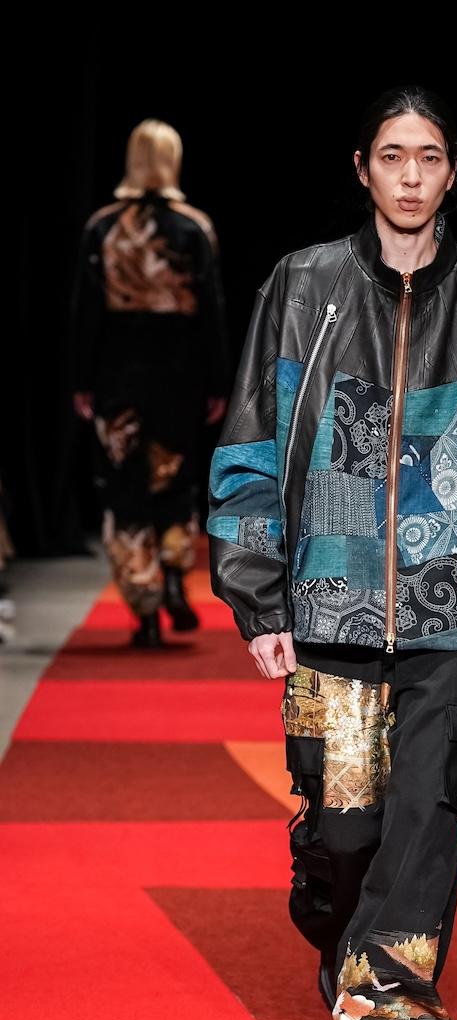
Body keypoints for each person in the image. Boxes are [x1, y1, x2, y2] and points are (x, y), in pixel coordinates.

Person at [207, 84, 457, 1020]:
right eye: (392, 155)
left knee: (425, 821)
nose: (410, 175)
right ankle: (333, 913)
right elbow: (252, 437)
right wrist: (255, 588)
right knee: (347, 830)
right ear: (361, 168)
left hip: (448, 605)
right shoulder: (302, 283)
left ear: (452, 172)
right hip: (325, 599)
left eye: (428, 157)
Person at [70, 118, 230, 646]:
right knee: (175, 480)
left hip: (117, 374)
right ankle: (173, 578)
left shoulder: (102, 228)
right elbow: (211, 313)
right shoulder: (194, 228)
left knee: (125, 488)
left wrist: (81, 379)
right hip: (179, 376)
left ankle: (144, 611)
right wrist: (218, 382)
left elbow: (86, 313)